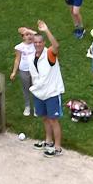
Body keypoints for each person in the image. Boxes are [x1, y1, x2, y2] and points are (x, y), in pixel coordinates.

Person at [27, 21, 65, 158]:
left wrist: (46, 30)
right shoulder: (31, 57)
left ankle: (58, 147)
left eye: (40, 42)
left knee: (53, 119)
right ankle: (48, 142)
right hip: (39, 93)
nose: (37, 44)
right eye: (35, 42)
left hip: (52, 92)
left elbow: (56, 46)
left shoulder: (49, 54)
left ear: (43, 43)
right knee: (44, 118)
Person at [9, 26, 36, 117]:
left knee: (35, 88)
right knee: (26, 88)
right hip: (24, 70)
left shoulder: (35, 44)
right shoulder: (20, 47)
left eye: (30, 35)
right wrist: (14, 72)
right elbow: (17, 59)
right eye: (26, 35)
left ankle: (36, 107)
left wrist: (28, 30)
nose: (29, 36)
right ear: (22, 37)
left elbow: (36, 34)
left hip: (35, 70)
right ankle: (27, 106)